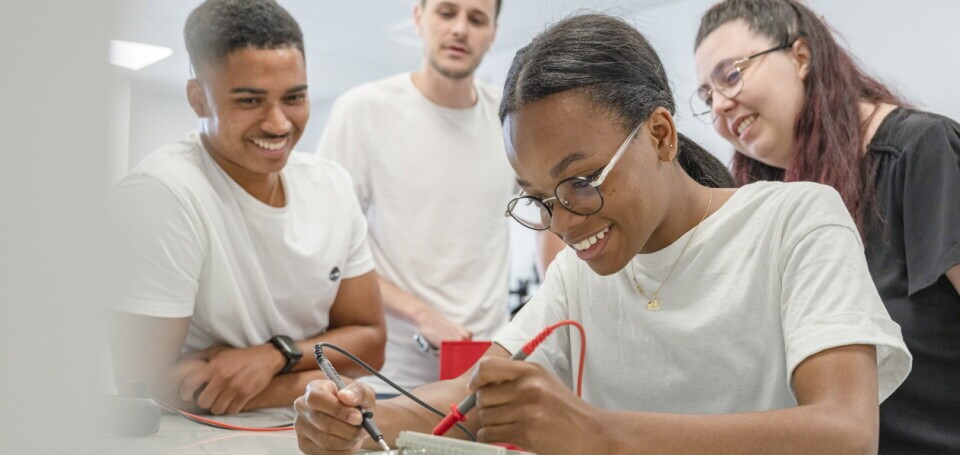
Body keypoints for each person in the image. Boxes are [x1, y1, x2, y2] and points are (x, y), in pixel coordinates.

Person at [294, 14, 912, 454]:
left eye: (581, 182)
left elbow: (844, 432)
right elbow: (473, 394)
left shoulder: (796, 221)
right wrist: (363, 415)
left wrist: (600, 435)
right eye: (538, 201)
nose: (563, 223)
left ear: (661, 136)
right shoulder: (577, 274)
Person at [691, 1, 960, 454]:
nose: (721, 105)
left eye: (731, 75)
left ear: (800, 57)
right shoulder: (779, 209)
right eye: (707, 96)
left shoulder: (928, 154)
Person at [106, 0, 386, 415]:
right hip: (199, 439)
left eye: (294, 97)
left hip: (314, 429)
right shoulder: (162, 193)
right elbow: (143, 386)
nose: (278, 124)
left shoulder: (332, 185)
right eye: (250, 101)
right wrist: (317, 379)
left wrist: (277, 356)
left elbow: (370, 343)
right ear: (199, 99)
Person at [315, 0, 561, 396]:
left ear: (493, 33)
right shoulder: (363, 111)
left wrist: (555, 297)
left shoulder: (510, 121)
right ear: (418, 18)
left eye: (476, 18)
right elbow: (329, 250)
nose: (461, 29)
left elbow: (551, 212)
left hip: (481, 370)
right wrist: (419, 313)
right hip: (384, 375)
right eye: (447, 13)